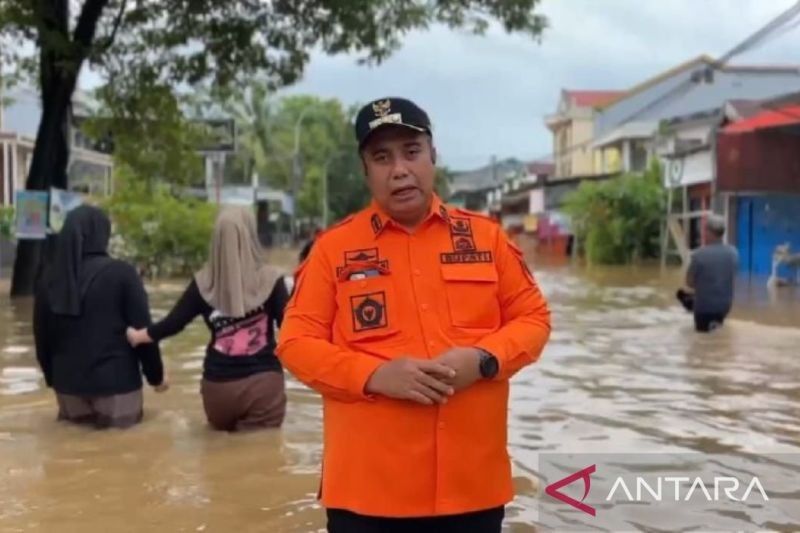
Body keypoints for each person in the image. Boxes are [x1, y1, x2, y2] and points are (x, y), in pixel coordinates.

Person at [276, 97, 552, 532]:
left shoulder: (486, 239)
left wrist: (482, 360)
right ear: (365, 169)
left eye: (411, 151)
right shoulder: (333, 250)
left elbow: (533, 317)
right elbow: (295, 342)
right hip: (367, 498)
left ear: (433, 155)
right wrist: (374, 376)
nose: (399, 169)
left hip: (472, 488)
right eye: (381, 157)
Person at [126, 207, 289, 431]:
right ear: (251, 235)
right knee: (259, 455)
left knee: (220, 454)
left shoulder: (203, 283)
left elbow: (173, 323)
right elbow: (293, 329)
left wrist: (138, 336)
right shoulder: (272, 279)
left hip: (217, 390)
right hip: (263, 386)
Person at [33, 205, 167, 429]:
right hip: (116, 387)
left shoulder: (49, 280)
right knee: (120, 456)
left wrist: (53, 378)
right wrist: (156, 376)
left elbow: (41, 338)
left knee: (72, 456)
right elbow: (144, 331)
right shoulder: (122, 274)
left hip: (68, 389)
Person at [676, 214, 738, 332]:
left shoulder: (698, 255)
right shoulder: (733, 253)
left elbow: (689, 283)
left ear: (709, 232)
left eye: (705, 230)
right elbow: (731, 276)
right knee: (717, 335)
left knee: (703, 342)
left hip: (704, 308)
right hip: (724, 307)